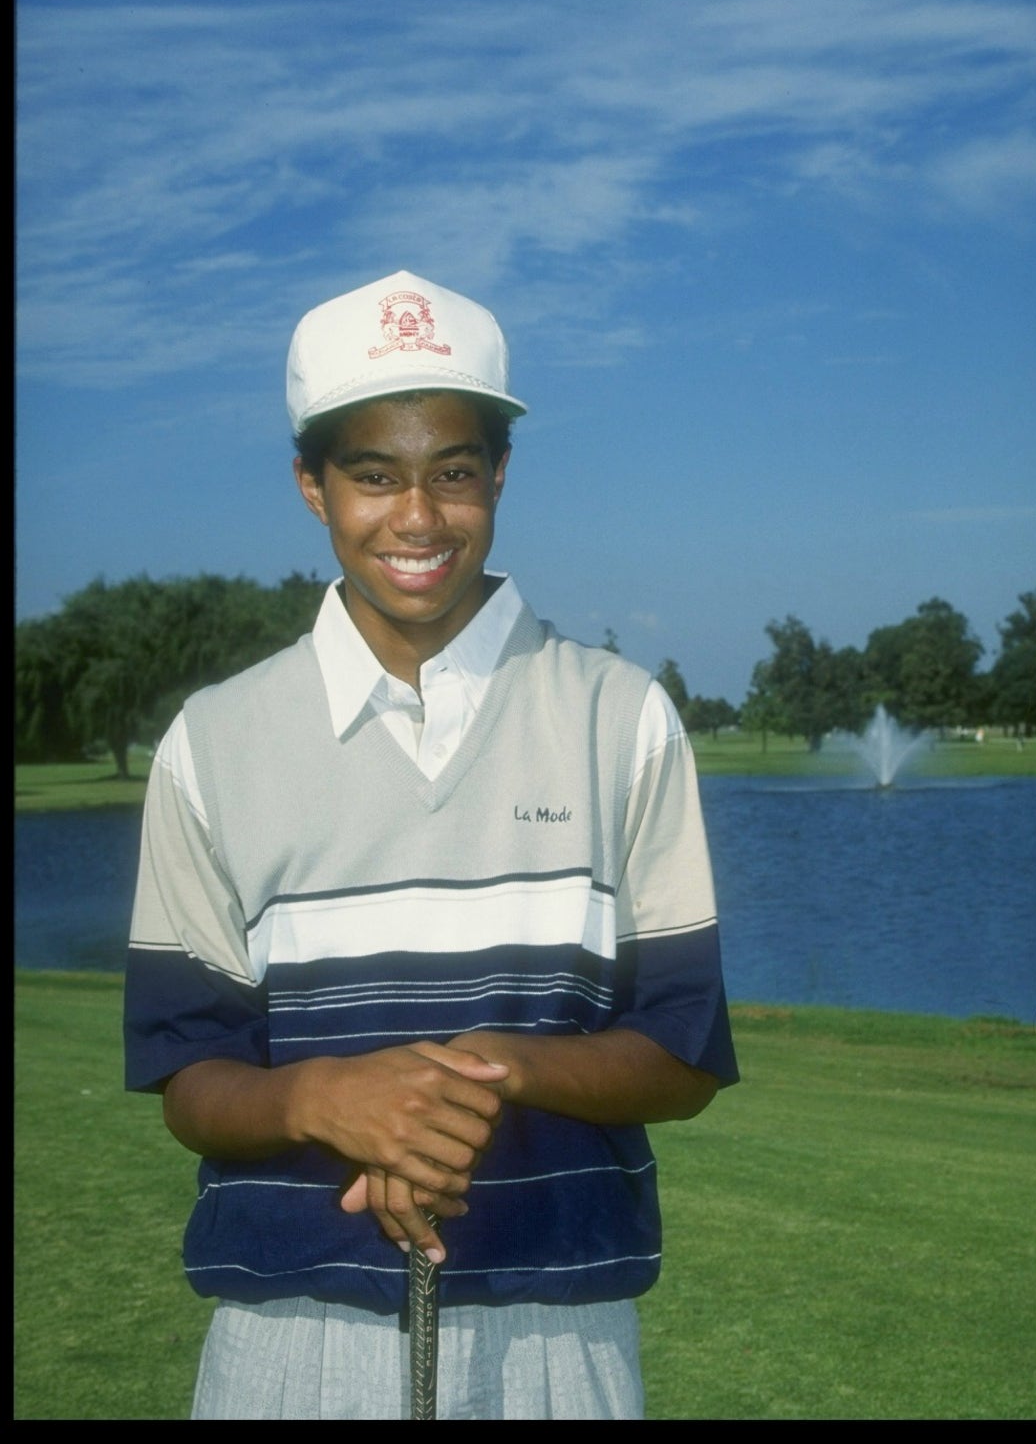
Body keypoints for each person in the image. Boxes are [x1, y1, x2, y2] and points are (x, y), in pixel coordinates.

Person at [124, 268, 739, 1421]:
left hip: (559, 1340)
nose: (417, 517)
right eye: (374, 474)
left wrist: (489, 1068)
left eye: (453, 471)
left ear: (499, 474)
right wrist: (323, 1096)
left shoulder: (621, 718)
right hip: (285, 1342)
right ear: (312, 486)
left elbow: (684, 1053)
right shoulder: (212, 741)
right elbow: (190, 1080)